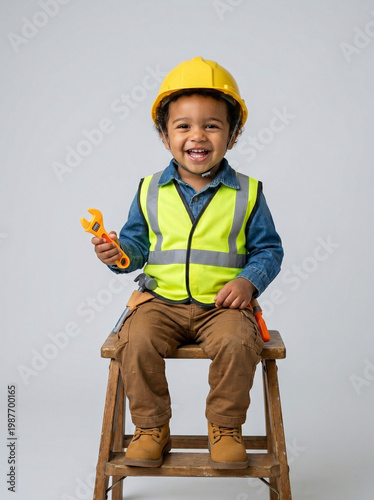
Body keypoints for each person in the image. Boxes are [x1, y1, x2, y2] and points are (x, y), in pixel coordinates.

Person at [90, 57, 283, 469]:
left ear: (232, 136)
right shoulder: (148, 190)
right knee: (135, 341)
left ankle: (226, 428)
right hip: (160, 302)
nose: (198, 135)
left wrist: (249, 282)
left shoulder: (248, 193)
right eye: (184, 125)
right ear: (165, 136)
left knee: (238, 343)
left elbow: (269, 250)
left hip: (222, 308)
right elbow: (135, 246)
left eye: (212, 125)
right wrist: (118, 255)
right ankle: (150, 429)